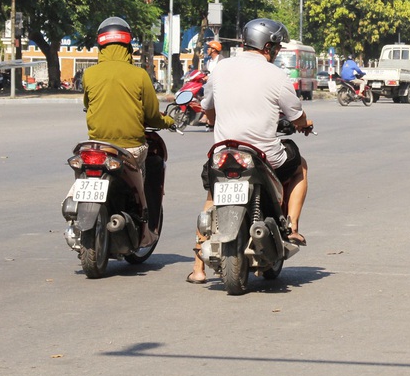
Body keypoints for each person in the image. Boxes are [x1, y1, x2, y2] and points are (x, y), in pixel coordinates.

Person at [187, 18, 314, 285]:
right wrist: (304, 123)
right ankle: (291, 227)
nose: (277, 52)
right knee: (299, 164)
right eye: (277, 47)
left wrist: (212, 118)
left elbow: (207, 106)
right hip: (263, 157)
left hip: (224, 154)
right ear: (268, 47)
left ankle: (198, 269)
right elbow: (295, 114)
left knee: (213, 194)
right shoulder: (276, 75)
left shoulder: (220, 69)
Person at [82, 17, 175, 242]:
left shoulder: (89, 74)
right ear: (128, 46)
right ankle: (143, 220)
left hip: (97, 147)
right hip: (131, 148)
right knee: (148, 171)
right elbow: (152, 115)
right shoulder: (140, 75)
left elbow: (87, 105)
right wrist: (168, 122)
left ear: (101, 46)